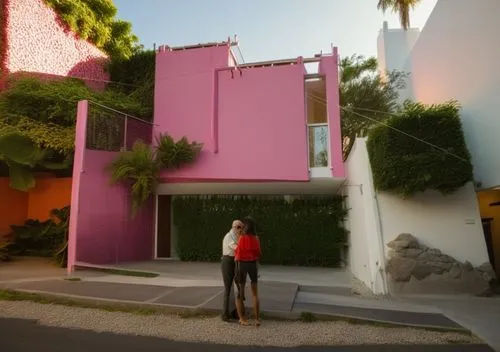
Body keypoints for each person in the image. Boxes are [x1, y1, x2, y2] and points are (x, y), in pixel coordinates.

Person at [234, 216, 261, 326]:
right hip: (253, 264)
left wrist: (239, 232)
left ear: (245, 226)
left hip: (242, 265)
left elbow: (237, 252)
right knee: (255, 293)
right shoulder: (256, 238)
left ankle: (242, 318)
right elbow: (259, 253)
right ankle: (257, 319)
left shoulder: (241, 238)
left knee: (240, 293)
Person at [221, 219, 243, 321]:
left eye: (241, 227)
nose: (239, 229)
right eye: (238, 227)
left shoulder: (238, 236)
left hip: (235, 261)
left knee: (238, 287)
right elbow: (237, 248)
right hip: (228, 260)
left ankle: (236, 312)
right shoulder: (229, 236)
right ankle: (225, 314)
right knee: (228, 287)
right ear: (233, 227)